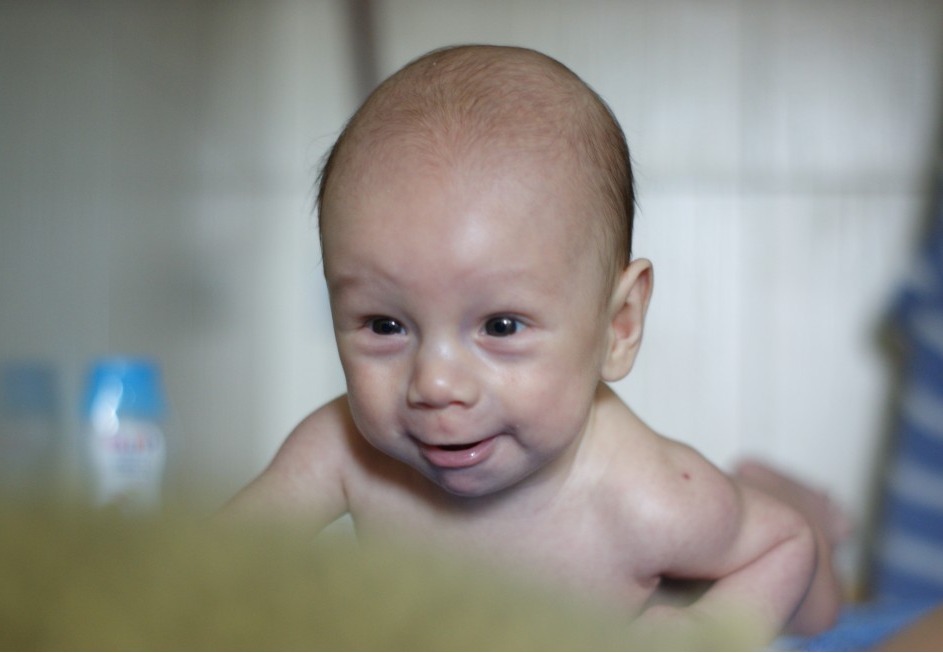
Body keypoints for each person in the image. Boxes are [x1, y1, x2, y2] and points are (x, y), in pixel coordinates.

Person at [225, 44, 841, 642]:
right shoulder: (343, 450)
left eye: (500, 326)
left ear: (618, 326)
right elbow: (220, 560)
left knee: (812, 609)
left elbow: (783, 544)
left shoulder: (651, 499)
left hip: (701, 573)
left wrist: (710, 630)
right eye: (386, 325)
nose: (434, 384)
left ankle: (792, 496)